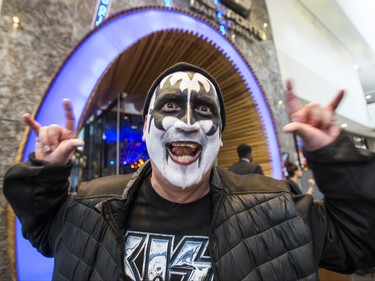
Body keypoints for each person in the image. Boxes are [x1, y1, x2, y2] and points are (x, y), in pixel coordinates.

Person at [3, 62, 375, 281]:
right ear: (146, 129)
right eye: (170, 106)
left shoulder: (278, 210)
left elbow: (359, 244)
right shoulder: (90, 207)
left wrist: (333, 155)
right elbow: (42, 230)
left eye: (204, 110)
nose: (187, 122)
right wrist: (46, 172)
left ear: (221, 138)